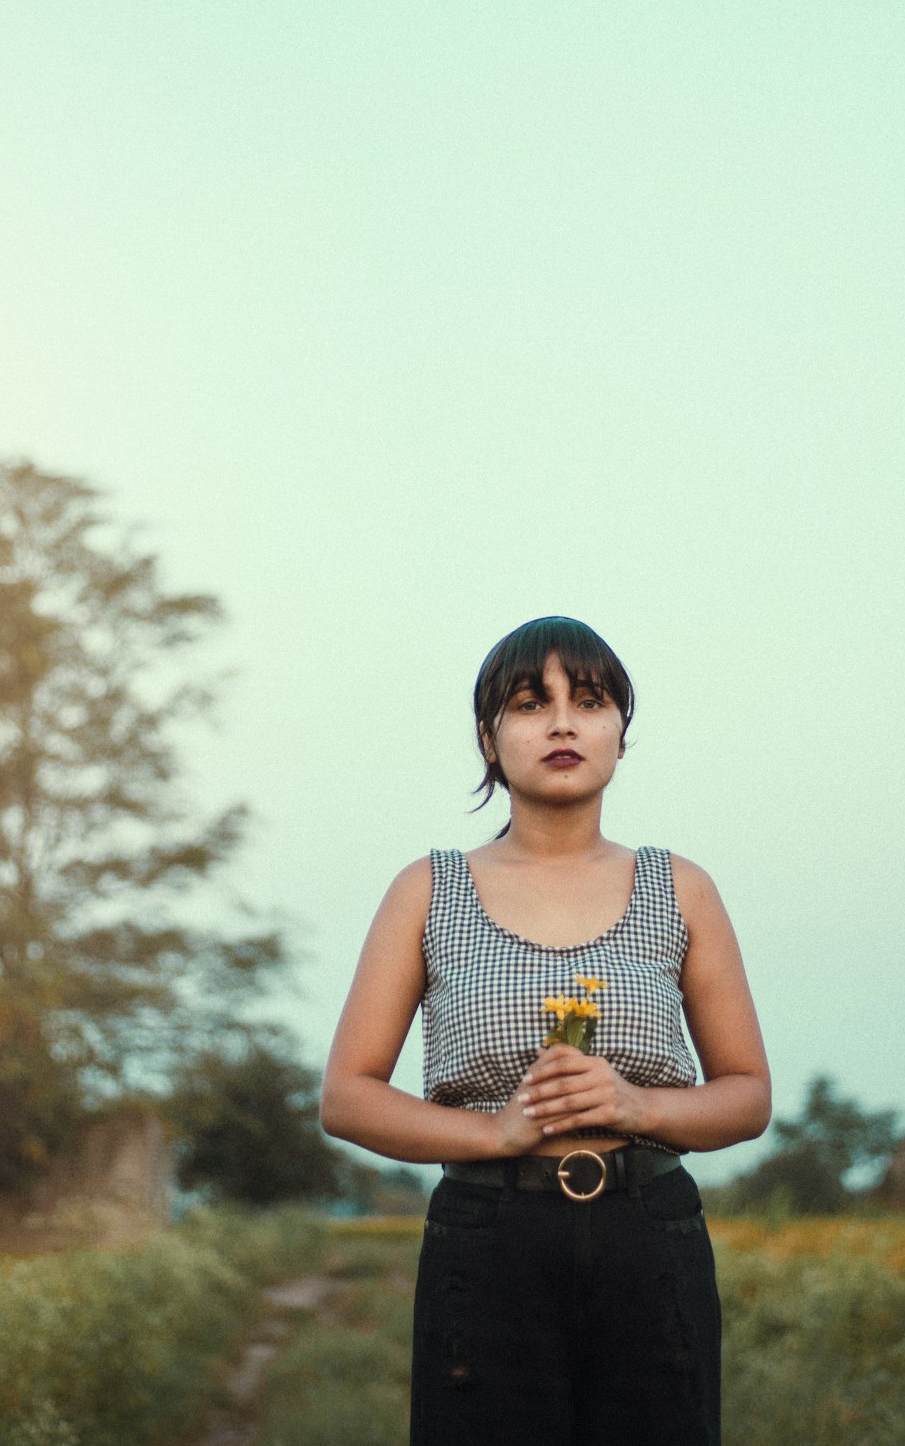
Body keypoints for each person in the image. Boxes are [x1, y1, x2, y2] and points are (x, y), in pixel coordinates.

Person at [321, 615, 770, 1446]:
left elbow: (746, 1096)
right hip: (487, 1239)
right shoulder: (428, 890)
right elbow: (347, 1097)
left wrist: (639, 1108)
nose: (562, 721)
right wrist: (494, 1131)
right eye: (531, 703)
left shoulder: (682, 888)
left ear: (620, 736)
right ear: (489, 740)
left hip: (652, 1236)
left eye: (589, 699)